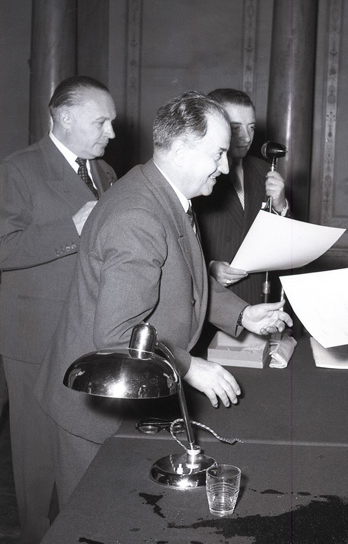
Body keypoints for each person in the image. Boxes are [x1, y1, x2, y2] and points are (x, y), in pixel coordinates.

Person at [34, 90, 292, 508]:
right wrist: (189, 367)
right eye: (218, 154)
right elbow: (116, 335)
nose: (226, 167)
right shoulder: (138, 215)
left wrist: (243, 313)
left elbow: (184, 277)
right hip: (93, 412)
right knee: (91, 524)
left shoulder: (161, 192)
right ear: (182, 151)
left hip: (123, 398)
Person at [0, 76, 117, 544]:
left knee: (81, 448)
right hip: (35, 336)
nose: (111, 132)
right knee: (36, 456)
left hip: (89, 334)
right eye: (101, 121)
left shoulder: (106, 172)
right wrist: (71, 228)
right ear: (65, 117)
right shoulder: (18, 169)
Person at [195, 88, 289, 305]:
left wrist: (281, 206)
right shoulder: (197, 175)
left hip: (258, 297)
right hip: (215, 302)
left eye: (251, 127)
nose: (246, 138)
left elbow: (284, 247)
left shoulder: (265, 171)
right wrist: (209, 269)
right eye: (236, 128)